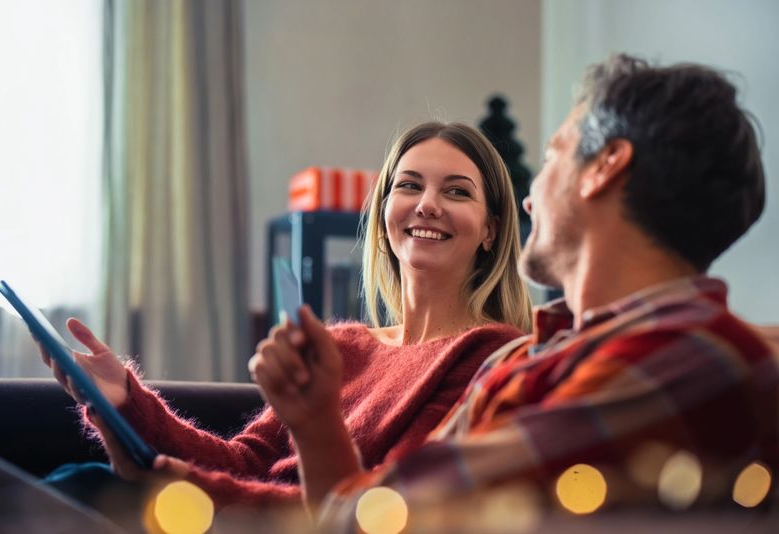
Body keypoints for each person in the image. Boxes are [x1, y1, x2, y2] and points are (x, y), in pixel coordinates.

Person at [250, 54, 779, 531]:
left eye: (552, 159)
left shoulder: (686, 358)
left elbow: (380, 519)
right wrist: (316, 420)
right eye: (408, 185)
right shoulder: (534, 352)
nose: (527, 202)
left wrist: (317, 429)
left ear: (604, 167)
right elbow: (365, 511)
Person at [40, 121, 532, 513]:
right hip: (229, 515)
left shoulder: (487, 355)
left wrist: (192, 491)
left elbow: (380, 513)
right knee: (70, 484)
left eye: (457, 192)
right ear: (385, 213)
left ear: (490, 230)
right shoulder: (341, 345)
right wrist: (124, 399)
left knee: (78, 489)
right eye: (409, 186)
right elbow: (247, 462)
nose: (427, 205)